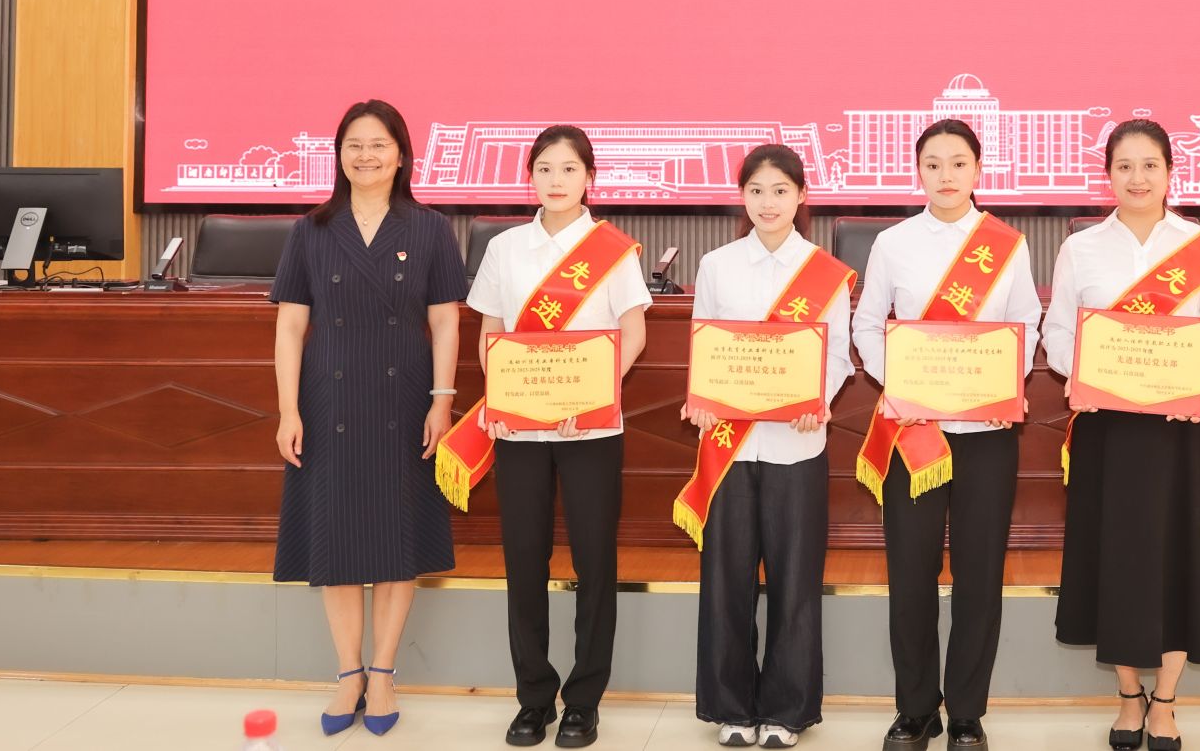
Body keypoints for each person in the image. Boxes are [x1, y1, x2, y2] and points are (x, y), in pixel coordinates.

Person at [1042, 120, 1200, 751]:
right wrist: (1087, 376)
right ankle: (1129, 695)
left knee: (1179, 558)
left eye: (1150, 165)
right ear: (1108, 174)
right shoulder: (1082, 248)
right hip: (1109, 431)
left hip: (1180, 430)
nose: (1137, 178)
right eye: (1124, 166)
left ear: (1169, 172)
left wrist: (1196, 386)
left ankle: (1166, 701)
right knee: (1118, 561)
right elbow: (1058, 333)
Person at [270, 99, 463, 737]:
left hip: (404, 398)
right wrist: (288, 410)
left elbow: (445, 321)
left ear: (401, 155)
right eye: (354, 145)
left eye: (379, 144)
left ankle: (382, 673)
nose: (366, 155)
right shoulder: (312, 229)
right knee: (336, 537)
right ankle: (347, 673)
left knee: (395, 537)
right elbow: (290, 326)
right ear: (339, 155)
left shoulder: (430, 229)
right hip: (328, 400)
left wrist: (442, 400)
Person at [852, 120, 1042, 751]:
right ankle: (914, 710)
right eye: (932, 164)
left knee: (979, 575)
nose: (946, 175)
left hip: (986, 430)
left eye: (958, 163)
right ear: (918, 172)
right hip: (915, 431)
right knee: (911, 572)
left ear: (978, 170)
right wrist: (901, 384)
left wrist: (1003, 387)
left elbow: (1025, 323)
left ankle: (965, 712)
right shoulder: (893, 243)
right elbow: (866, 325)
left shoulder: (1005, 244)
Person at [467, 126, 651, 749]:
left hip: (590, 427)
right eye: (544, 168)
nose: (556, 180)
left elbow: (633, 332)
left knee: (594, 561)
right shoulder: (504, 248)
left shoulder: (612, 250)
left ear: (589, 178)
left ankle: (584, 701)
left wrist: (591, 396)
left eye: (569, 169)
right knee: (524, 559)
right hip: (519, 428)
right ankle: (533, 698)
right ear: (530, 176)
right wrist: (504, 397)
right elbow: (491, 332)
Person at [675, 145, 855, 750]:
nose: (768, 202)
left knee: (794, 583)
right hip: (729, 447)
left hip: (795, 445)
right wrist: (702, 398)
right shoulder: (717, 265)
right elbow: (704, 345)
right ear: (742, 197)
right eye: (756, 190)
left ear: (801, 196)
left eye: (780, 190)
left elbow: (836, 357)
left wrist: (816, 399)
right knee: (725, 579)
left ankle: (786, 710)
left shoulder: (825, 272)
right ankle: (730, 707)